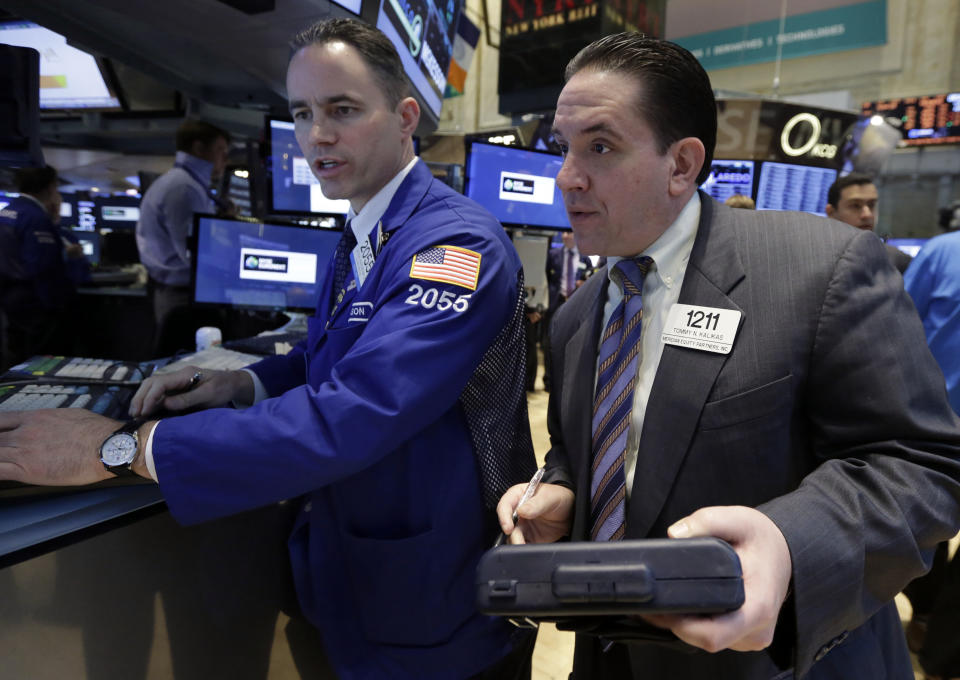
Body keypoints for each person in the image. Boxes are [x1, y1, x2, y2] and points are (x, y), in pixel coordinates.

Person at [0, 18, 536, 680]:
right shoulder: (366, 229)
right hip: (350, 576)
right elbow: (333, 357)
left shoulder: (455, 248)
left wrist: (118, 449)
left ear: (405, 118)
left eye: (343, 110)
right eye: (303, 113)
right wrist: (245, 384)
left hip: (433, 605)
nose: (318, 135)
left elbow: (355, 410)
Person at [496, 32, 960, 680]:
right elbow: (588, 449)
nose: (568, 177)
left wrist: (790, 544)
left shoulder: (818, 269)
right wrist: (563, 491)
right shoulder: (579, 317)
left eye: (599, 147)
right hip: (610, 658)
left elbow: (919, 466)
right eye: (564, 150)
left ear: (681, 164)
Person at [903, 229, 960, 679]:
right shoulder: (943, 253)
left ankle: (941, 646)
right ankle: (922, 622)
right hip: (938, 420)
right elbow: (900, 324)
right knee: (930, 527)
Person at [135, 118, 230, 334]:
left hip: (181, 292)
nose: (225, 158)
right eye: (220, 150)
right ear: (198, 148)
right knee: (187, 359)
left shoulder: (185, 183)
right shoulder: (183, 188)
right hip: (182, 296)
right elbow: (195, 253)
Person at [0, 165, 83, 366]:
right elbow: (42, 265)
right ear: (50, 187)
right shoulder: (36, 217)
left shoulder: (7, 211)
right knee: (42, 365)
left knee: (19, 359)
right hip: (35, 304)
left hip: (11, 299)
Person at [542, 230, 597, 391]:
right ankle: (548, 380)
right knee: (549, 341)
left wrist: (583, 283)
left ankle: (568, 380)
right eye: (563, 233)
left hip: (577, 302)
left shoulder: (585, 257)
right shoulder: (553, 254)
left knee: (574, 341)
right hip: (555, 301)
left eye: (569, 232)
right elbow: (545, 277)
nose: (565, 236)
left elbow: (589, 278)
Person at [825, 172, 912, 273]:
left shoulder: (896, 261)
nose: (868, 214)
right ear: (831, 212)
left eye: (871, 205)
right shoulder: (814, 257)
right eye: (855, 206)